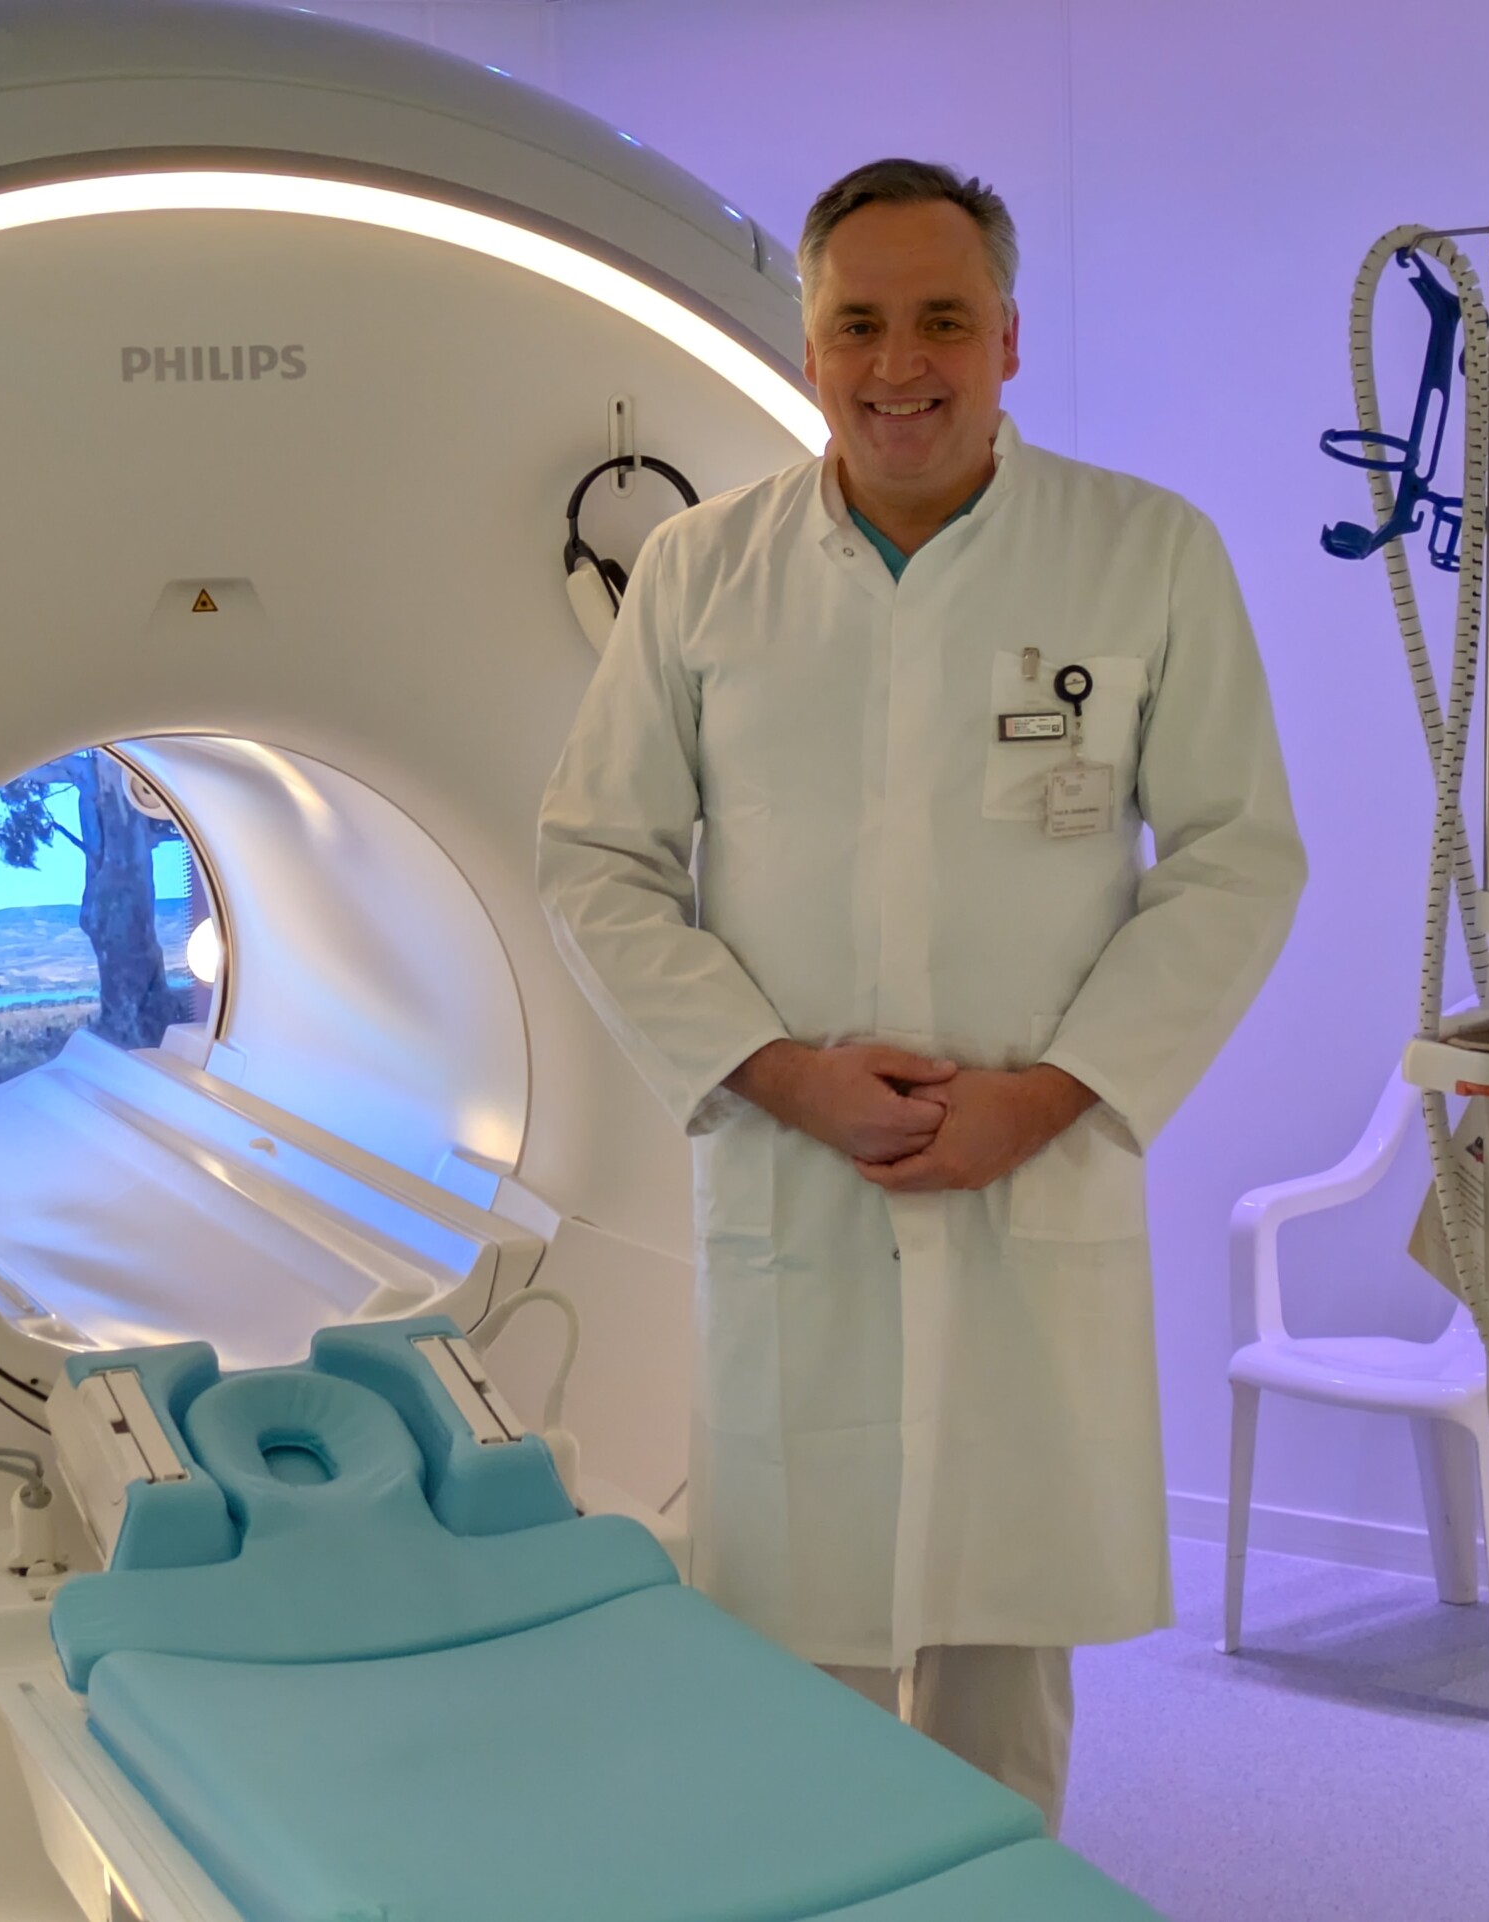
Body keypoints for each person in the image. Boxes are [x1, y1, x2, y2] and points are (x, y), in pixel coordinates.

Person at [535, 158, 1304, 1834]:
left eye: (943, 320)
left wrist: (1052, 1093)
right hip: (798, 1184)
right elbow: (597, 857)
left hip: (1032, 1182)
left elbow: (1240, 857)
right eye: (860, 324)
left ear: (1009, 338)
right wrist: (780, 1072)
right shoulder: (699, 571)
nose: (901, 365)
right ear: (808, 347)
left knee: (998, 1700)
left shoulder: (1144, 554)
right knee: (786, 1690)